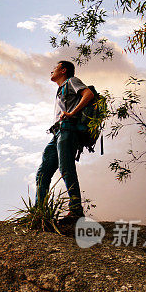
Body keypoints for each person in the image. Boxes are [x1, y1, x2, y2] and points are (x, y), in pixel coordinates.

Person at [35, 60, 94, 223]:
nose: (51, 71)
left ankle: (76, 210)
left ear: (64, 70)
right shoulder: (61, 89)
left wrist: (71, 112)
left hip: (68, 129)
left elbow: (88, 94)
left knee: (66, 167)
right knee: (43, 172)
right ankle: (38, 212)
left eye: (55, 68)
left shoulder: (71, 81)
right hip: (57, 132)